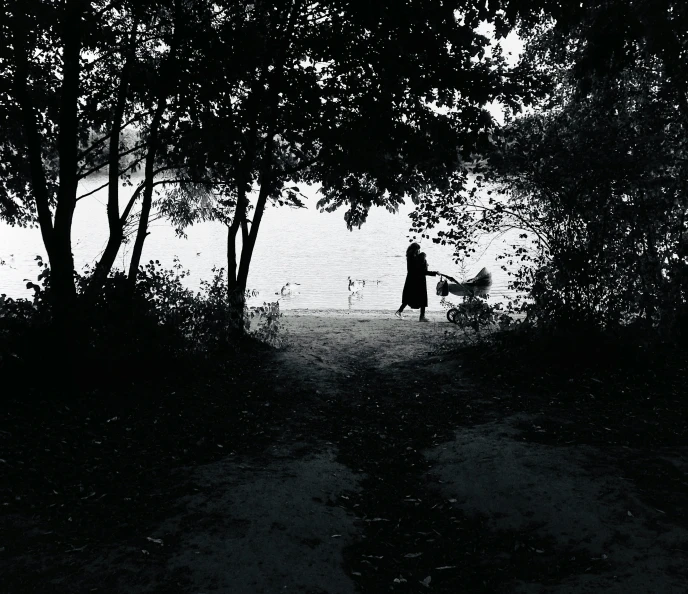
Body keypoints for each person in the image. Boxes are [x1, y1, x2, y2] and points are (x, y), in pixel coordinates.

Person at [395, 243, 437, 321]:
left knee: (409, 297)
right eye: (418, 250)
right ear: (415, 250)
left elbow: (418, 269)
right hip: (418, 281)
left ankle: (400, 311)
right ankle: (422, 316)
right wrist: (424, 263)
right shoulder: (415, 258)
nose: (418, 251)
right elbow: (422, 271)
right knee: (422, 298)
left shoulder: (410, 257)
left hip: (411, 280)